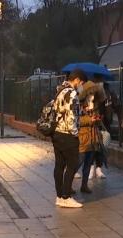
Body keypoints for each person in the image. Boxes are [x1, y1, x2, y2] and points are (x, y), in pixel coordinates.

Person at [53, 69, 87, 208]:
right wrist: (74, 133)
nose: (82, 86)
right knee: (72, 165)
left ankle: (59, 196)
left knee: (59, 165)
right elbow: (72, 116)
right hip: (68, 134)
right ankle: (66, 196)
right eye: (82, 83)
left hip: (57, 132)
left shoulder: (60, 91)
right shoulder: (72, 93)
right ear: (77, 80)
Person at [76, 81, 102, 194]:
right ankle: (67, 184)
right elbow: (76, 120)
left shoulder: (94, 106)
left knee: (88, 163)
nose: (92, 96)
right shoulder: (78, 106)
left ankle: (84, 185)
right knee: (78, 162)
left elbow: (97, 121)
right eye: (90, 94)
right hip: (82, 138)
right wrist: (89, 120)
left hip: (93, 138)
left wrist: (97, 119)